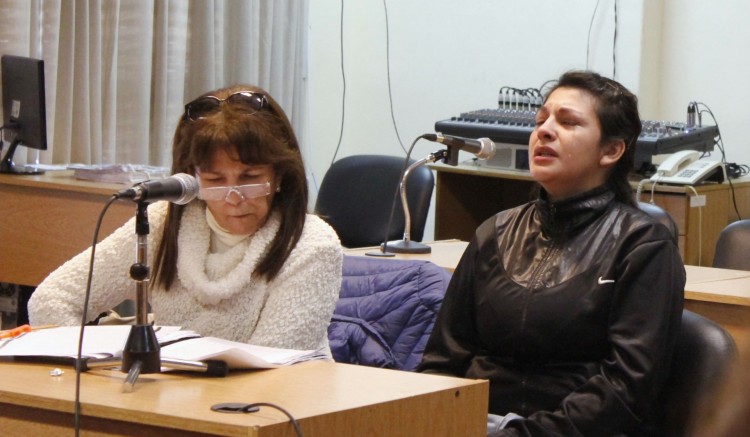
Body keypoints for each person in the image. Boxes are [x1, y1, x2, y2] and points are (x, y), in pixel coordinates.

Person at [418, 71, 685, 436]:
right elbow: (443, 360)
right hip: (476, 422)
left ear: (611, 150)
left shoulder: (642, 244)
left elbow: (626, 389)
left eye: (568, 122)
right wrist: (431, 420)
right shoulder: (494, 232)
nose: (544, 131)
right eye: (540, 120)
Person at [28, 84, 343, 353]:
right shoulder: (163, 222)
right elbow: (52, 300)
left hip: (274, 401)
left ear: (280, 175)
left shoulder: (312, 244)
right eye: (215, 181)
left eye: (250, 178)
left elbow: (274, 363)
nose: (234, 198)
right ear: (191, 179)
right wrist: (95, 367)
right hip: (172, 395)